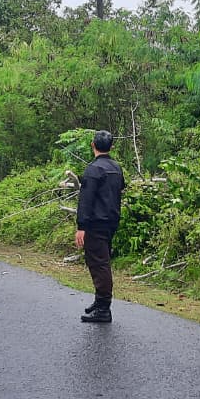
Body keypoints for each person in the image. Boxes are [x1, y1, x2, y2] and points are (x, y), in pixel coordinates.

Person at [76, 130, 125, 323]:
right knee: (101, 261)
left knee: (99, 264)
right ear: (111, 147)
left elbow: (86, 200)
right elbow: (119, 189)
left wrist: (81, 226)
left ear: (92, 145)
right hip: (111, 221)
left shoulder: (93, 169)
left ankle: (104, 308)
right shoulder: (116, 168)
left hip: (95, 223)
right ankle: (99, 301)